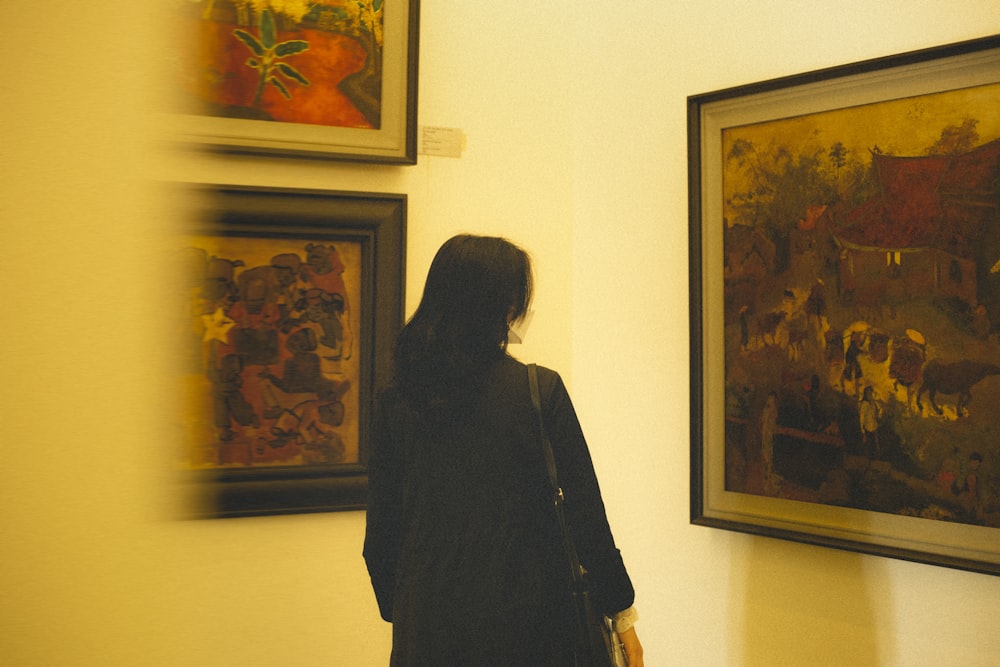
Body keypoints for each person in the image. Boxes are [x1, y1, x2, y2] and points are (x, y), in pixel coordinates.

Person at [364, 235, 643, 666]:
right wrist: (622, 614)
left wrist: (408, 609)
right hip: (534, 629)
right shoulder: (538, 390)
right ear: (500, 305)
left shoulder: (397, 402)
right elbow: (588, 518)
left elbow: (380, 538)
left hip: (429, 634)